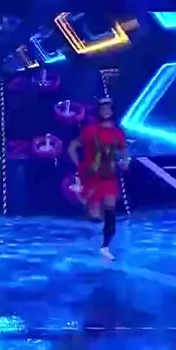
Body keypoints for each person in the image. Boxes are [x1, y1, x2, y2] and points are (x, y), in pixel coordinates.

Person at [68, 96, 128, 261]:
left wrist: (125, 161)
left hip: (109, 174)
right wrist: (78, 165)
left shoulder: (117, 132)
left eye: (108, 108)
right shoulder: (91, 130)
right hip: (91, 174)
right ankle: (90, 243)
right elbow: (72, 146)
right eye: (103, 108)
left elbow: (123, 149)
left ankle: (105, 246)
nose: (106, 111)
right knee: (93, 211)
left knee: (110, 208)